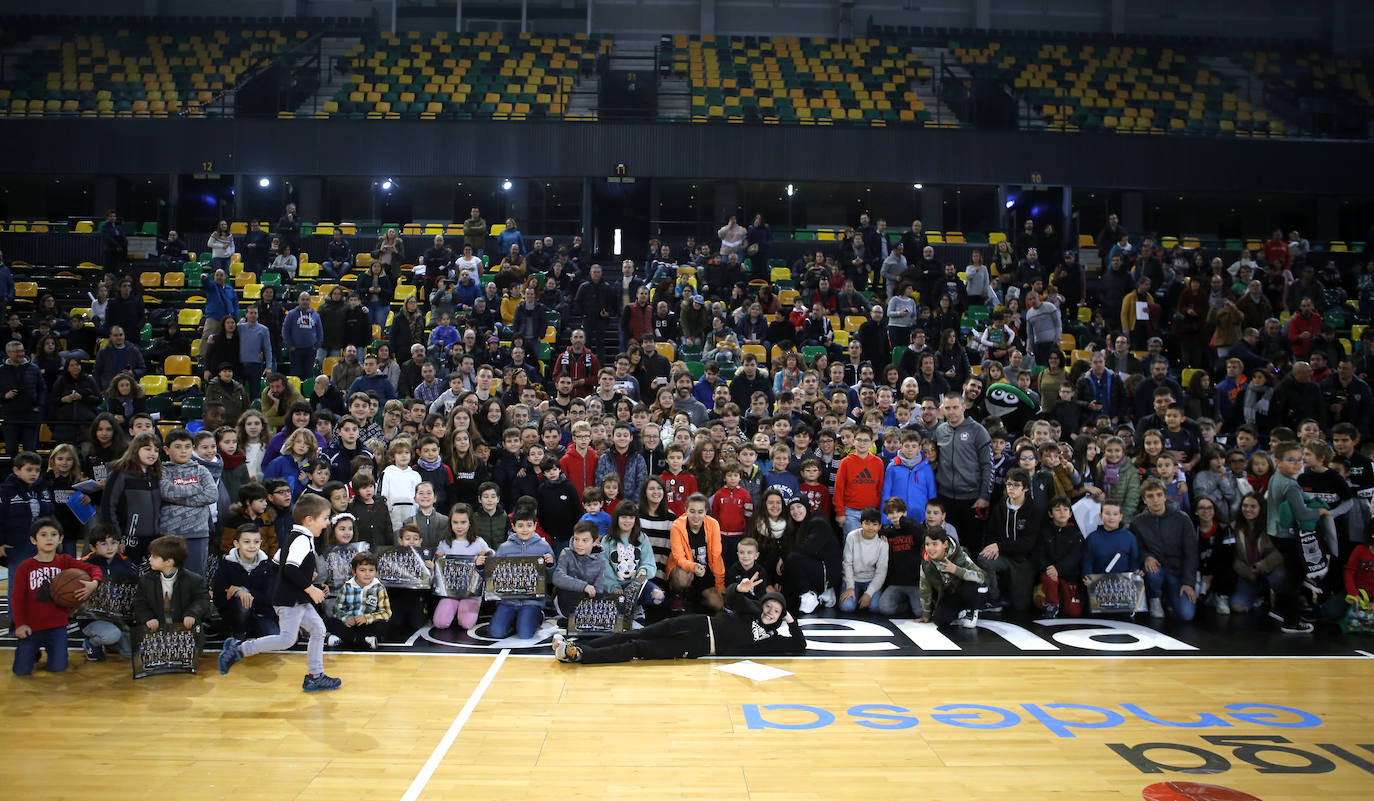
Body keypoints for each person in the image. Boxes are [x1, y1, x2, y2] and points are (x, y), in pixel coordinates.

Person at [219, 493, 341, 692]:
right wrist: (309, 587)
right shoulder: (301, 540)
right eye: (325, 518)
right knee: (287, 639)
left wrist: (306, 574)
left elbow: (277, 563)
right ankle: (238, 650)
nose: (327, 523)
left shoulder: (296, 537)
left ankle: (315, 675)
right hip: (290, 600)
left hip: (296, 598)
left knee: (318, 630)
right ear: (309, 520)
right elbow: (289, 569)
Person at [553, 578, 805, 664]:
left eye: (776, 611)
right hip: (696, 623)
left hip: (697, 647)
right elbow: (733, 597)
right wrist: (739, 589)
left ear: (780, 616)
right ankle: (575, 648)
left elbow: (799, 645)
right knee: (636, 635)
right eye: (769, 606)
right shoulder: (750, 610)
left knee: (638, 649)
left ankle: (581, 656)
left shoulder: (772, 640)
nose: (770, 612)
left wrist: (791, 622)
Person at [12, 518, 101, 675]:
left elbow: (93, 568)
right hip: (31, 626)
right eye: (43, 535)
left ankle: (40, 651)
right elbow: (17, 599)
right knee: (21, 671)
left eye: (53, 534)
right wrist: (20, 624)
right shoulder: (25, 567)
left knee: (58, 668)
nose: (49, 538)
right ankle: (33, 651)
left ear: (60, 538)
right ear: (34, 540)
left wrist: (94, 583)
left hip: (57, 627)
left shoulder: (65, 561)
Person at [1267, 441, 1326, 634]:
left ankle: (1279, 610)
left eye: (1299, 459)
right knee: (1296, 577)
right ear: (1278, 461)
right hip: (1287, 535)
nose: (1297, 464)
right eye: (1291, 460)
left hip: (1274, 532)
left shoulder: (1276, 477)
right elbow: (1302, 514)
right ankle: (1291, 621)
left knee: (1291, 575)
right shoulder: (1290, 485)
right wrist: (1321, 511)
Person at [480, 503, 554, 639]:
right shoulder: (504, 548)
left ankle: (536, 616)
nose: (525, 529)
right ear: (513, 527)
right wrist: (481, 567)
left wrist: (549, 566)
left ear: (535, 526)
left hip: (532, 602)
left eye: (528, 525)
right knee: (496, 633)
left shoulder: (544, 546)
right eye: (520, 526)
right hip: (508, 601)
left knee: (525, 634)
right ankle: (516, 619)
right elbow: (492, 576)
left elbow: (550, 579)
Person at [1133, 477, 1199, 621]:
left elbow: (1191, 553)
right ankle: (1155, 599)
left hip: (1178, 573)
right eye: (1150, 496)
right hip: (1157, 571)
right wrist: (1147, 556)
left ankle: (1169, 598)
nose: (1155, 500)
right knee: (1152, 570)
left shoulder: (1182, 518)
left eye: (1159, 495)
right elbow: (1138, 547)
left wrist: (1188, 583)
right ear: (1144, 499)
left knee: (1186, 615)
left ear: (1165, 496)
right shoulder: (1138, 522)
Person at [979, 468, 1044, 612]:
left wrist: (1000, 546)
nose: (1011, 488)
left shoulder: (1034, 510)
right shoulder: (999, 509)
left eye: (1016, 485)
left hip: (1025, 560)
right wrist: (994, 548)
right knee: (983, 558)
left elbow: (1028, 544)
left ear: (1025, 488)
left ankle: (1012, 593)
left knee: (1021, 607)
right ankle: (994, 600)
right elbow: (991, 535)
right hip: (1003, 556)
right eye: (1009, 484)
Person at [214, 524, 280, 640]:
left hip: (262, 614)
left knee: (274, 637)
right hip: (235, 616)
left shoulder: (267, 567)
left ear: (261, 543)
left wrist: (244, 590)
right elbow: (218, 599)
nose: (252, 546)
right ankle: (238, 634)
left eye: (256, 542)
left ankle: (254, 632)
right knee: (241, 600)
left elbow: (270, 598)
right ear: (236, 544)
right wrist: (236, 594)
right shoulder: (226, 566)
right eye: (246, 542)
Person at [917, 527, 988, 629]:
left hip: (970, 590)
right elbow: (924, 587)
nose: (930, 548)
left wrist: (956, 570)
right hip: (951, 594)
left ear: (945, 544)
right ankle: (960, 611)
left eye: (935, 544)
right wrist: (926, 614)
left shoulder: (960, 555)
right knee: (940, 620)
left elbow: (982, 577)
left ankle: (972, 610)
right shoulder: (926, 563)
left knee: (970, 587)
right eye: (927, 544)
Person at [666, 493, 725, 613]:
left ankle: (700, 597)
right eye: (692, 511)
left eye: (700, 512)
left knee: (718, 605)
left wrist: (719, 584)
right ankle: (677, 594)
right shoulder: (677, 526)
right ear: (686, 510)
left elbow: (716, 556)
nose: (696, 516)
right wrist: (693, 567)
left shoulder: (713, 524)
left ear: (706, 512)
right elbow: (679, 558)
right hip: (686, 569)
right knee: (682, 577)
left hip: (705, 570)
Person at [325, 552, 392, 650]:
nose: (367, 574)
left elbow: (386, 613)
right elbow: (337, 609)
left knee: (384, 624)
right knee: (330, 622)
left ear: (376, 572)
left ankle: (347, 638)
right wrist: (346, 618)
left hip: (368, 624)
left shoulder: (379, 587)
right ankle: (363, 639)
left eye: (371, 570)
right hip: (350, 623)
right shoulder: (347, 586)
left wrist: (367, 618)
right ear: (354, 571)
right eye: (362, 570)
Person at [839, 507, 888, 613]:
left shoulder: (883, 543)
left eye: (874, 524)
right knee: (846, 607)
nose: (870, 527)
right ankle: (855, 596)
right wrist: (850, 587)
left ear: (880, 526)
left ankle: (863, 597)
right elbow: (847, 563)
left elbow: (881, 571)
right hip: (853, 579)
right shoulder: (851, 537)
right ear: (860, 524)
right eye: (867, 523)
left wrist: (868, 594)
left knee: (875, 607)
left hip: (871, 580)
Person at [282, 291, 324, 381]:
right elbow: (285, 331)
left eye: (307, 299)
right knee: (296, 375)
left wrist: (316, 346)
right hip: (295, 350)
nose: (305, 301)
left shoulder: (315, 315)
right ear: (298, 300)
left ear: (310, 301)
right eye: (303, 299)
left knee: (308, 375)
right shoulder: (291, 314)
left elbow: (320, 332)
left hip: (310, 350)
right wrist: (290, 345)